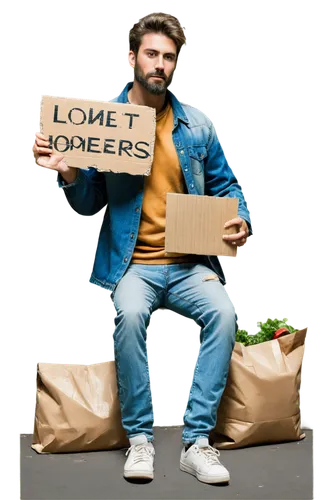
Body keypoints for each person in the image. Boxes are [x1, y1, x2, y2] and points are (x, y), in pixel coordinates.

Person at [31, 10, 255, 485]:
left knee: (225, 310)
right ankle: (140, 439)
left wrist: (240, 218)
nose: (159, 64)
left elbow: (229, 186)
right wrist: (68, 172)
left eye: (168, 57)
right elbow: (90, 204)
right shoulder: (107, 123)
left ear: (175, 66)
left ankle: (196, 442)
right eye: (151, 54)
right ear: (130, 58)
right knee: (131, 315)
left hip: (190, 261)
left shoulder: (196, 126)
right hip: (135, 263)